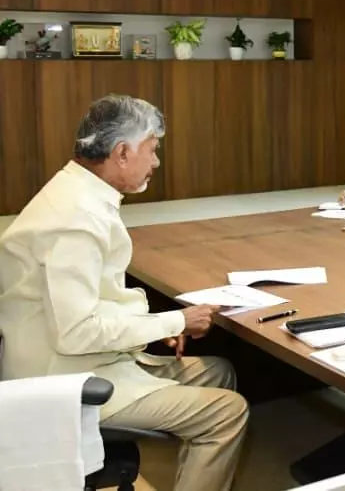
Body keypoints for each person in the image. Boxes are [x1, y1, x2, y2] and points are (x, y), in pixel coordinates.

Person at [0, 95, 249, 491]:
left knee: (219, 371)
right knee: (227, 412)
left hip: (81, 357)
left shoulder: (77, 192)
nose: (156, 162)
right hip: (64, 377)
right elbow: (77, 332)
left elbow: (94, 300)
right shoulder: (75, 220)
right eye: (152, 149)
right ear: (122, 153)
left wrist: (155, 325)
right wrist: (175, 320)